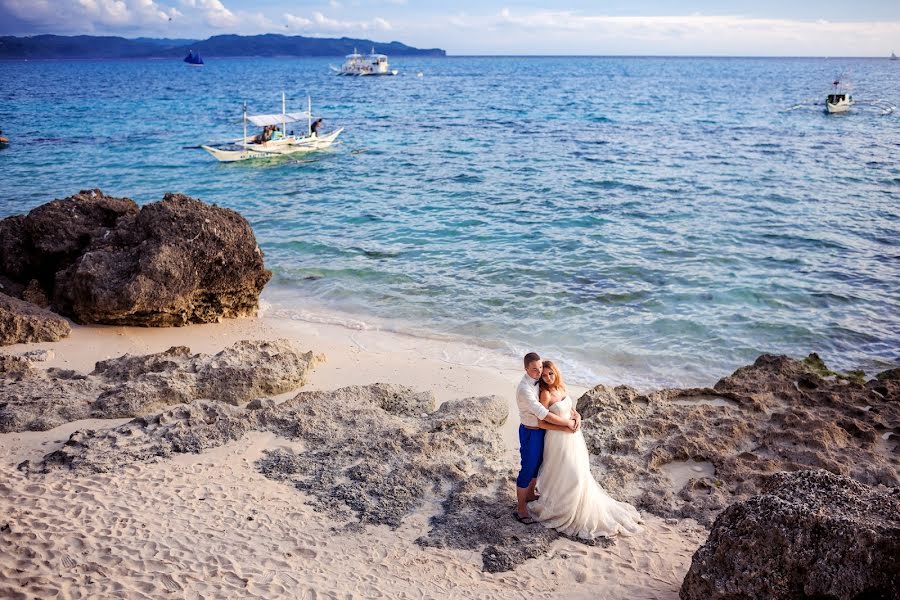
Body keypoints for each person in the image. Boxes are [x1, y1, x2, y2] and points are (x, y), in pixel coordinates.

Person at [527, 360, 643, 539]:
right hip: (557, 439)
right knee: (568, 474)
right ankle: (563, 508)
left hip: (574, 438)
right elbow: (542, 423)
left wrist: (578, 418)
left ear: (556, 373)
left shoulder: (562, 388)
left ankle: (578, 505)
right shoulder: (545, 394)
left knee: (581, 473)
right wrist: (566, 427)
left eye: (551, 373)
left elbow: (572, 410)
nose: (548, 378)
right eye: (544, 375)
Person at [514, 352, 580, 524]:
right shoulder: (524, 389)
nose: (538, 372)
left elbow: (563, 404)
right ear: (526, 369)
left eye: (540, 368)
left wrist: (575, 417)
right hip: (530, 431)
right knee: (527, 468)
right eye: (534, 369)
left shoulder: (543, 383)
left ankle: (530, 495)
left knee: (538, 465)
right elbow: (543, 414)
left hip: (545, 432)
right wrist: (567, 423)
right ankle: (521, 509)